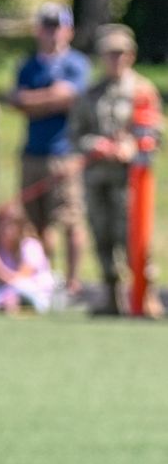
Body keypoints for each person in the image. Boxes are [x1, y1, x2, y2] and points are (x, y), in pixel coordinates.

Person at [71, 25, 164, 316]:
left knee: (134, 239)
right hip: (98, 177)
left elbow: (155, 132)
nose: (116, 59)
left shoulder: (142, 90)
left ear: (131, 55)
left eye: (121, 53)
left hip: (130, 180)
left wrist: (133, 148)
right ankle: (111, 297)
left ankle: (144, 297)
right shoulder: (90, 94)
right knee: (102, 236)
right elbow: (75, 135)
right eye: (110, 54)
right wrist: (94, 144)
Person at [7, 3, 89, 296]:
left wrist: (35, 101)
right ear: (38, 30)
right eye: (47, 27)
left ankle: (74, 281)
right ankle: (45, 278)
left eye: (58, 27)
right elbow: (17, 101)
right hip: (33, 152)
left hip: (64, 153)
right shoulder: (28, 65)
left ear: (68, 30)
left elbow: (70, 97)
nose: (52, 33)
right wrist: (51, 98)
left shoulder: (76, 63)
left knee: (69, 219)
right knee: (36, 221)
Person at [0, 203, 54, 313]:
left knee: (19, 286)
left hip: (37, 293)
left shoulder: (31, 246)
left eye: (10, 226)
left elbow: (21, 278)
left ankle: (13, 303)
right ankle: (8, 302)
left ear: (20, 227)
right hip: (7, 290)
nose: (5, 230)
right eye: (2, 225)